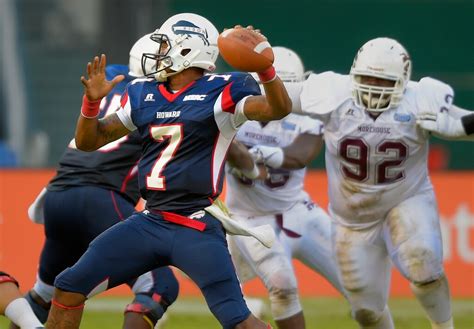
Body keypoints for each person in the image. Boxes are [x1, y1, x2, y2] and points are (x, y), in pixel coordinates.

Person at [45, 13, 291, 329]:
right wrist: (91, 105)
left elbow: (277, 109)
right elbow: (88, 141)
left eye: (165, 45)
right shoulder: (144, 93)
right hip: (150, 220)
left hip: (196, 225)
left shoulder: (223, 89)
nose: (158, 52)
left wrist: (266, 72)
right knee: (68, 287)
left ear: (187, 49)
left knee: (238, 320)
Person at [284, 37, 470, 329]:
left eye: (382, 80)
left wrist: (456, 126)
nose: (373, 85)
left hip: (406, 197)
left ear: (403, 81)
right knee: (366, 311)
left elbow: (462, 124)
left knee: (424, 262)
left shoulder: (422, 97)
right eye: (367, 77)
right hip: (352, 218)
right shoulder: (332, 92)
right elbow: (281, 98)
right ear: (353, 74)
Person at [22, 33, 179, 329]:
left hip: (57, 195)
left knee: (45, 293)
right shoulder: (155, 96)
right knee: (159, 286)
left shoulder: (113, 79)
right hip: (102, 199)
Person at [225, 46, 345, 329]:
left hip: (297, 209)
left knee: (360, 284)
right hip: (248, 218)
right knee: (281, 285)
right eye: (270, 85)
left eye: (284, 86)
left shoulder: (307, 117)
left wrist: (258, 155)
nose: (278, 93)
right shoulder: (233, 114)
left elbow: (299, 156)